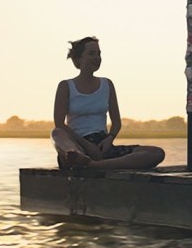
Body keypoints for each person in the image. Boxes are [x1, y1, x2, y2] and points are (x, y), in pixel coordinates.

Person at [50, 36, 165, 170]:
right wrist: (87, 146)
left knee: (156, 153)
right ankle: (78, 159)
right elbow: (59, 123)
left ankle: (94, 165)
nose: (97, 58)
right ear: (78, 59)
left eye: (99, 54)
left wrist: (109, 139)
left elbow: (116, 122)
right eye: (92, 54)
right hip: (76, 144)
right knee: (56, 133)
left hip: (102, 144)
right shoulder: (66, 86)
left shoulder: (107, 84)